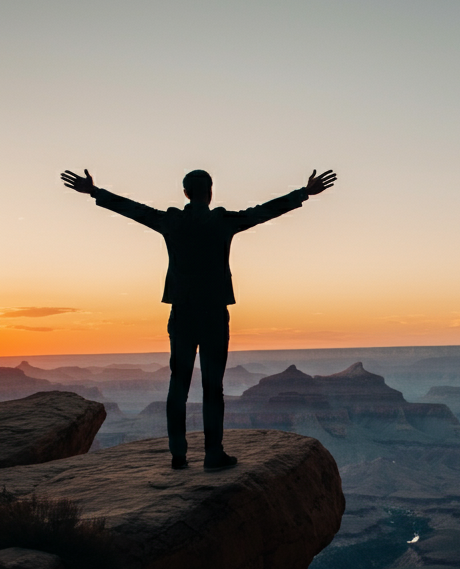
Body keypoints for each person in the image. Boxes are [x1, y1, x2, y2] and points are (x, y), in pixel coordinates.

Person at [60, 166, 337, 470]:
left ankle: (178, 455)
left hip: (182, 312)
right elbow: (262, 212)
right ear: (211, 191)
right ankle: (212, 454)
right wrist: (304, 193)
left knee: (178, 385)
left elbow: (134, 210)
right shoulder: (221, 222)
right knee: (212, 387)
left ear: (185, 193)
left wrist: (95, 192)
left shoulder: (172, 221)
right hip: (214, 314)